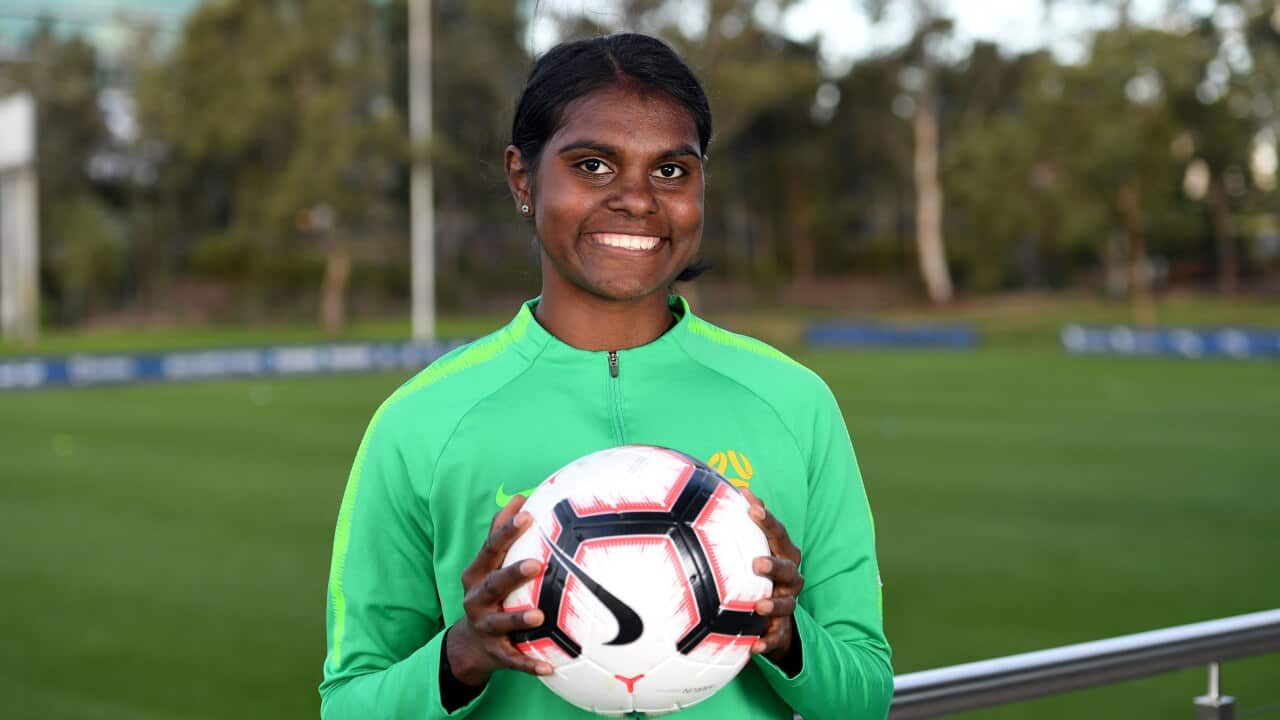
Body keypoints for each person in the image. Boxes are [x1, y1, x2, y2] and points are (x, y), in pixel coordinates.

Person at [319, 33, 891, 720]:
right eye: (593, 166)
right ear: (523, 179)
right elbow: (349, 704)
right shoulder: (422, 420)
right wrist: (464, 653)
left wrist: (786, 635)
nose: (637, 199)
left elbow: (863, 696)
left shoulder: (792, 402)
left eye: (671, 171)